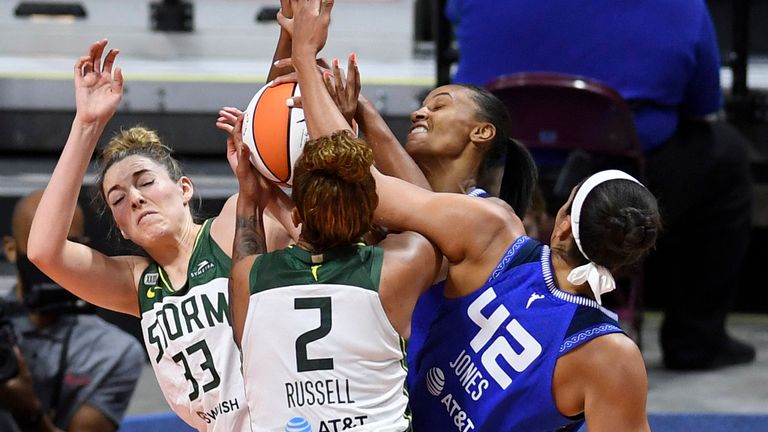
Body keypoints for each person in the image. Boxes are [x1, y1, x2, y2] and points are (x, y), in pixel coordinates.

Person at [279, 2, 661, 429]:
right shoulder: (614, 354)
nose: (421, 113)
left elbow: (372, 187)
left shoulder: (496, 235)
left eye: (439, 105)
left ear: (563, 223)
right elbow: (409, 197)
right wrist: (360, 111)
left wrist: (306, 60)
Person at [445, 0, 755, 369]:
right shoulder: (683, 7)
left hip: (502, 176)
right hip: (619, 180)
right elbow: (701, 103)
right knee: (725, 155)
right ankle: (696, 339)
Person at [25, 39, 296, 431]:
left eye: (145, 182)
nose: (134, 199)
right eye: (118, 199)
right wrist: (87, 125)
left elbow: (271, 138)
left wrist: (290, 41)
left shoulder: (225, 231)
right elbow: (43, 250)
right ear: (120, 226)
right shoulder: (139, 283)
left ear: (184, 189)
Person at [227, 2, 440, 430]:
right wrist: (359, 113)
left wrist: (253, 195)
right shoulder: (398, 266)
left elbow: (259, 208)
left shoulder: (249, 279)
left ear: (298, 217)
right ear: (369, 207)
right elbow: (422, 208)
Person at [1, 190, 144, 432]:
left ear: (84, 247)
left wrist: (29, 411)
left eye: (64, 245)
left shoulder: (113, 352)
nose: (49, 259)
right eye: (38, 247)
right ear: (11, 250)